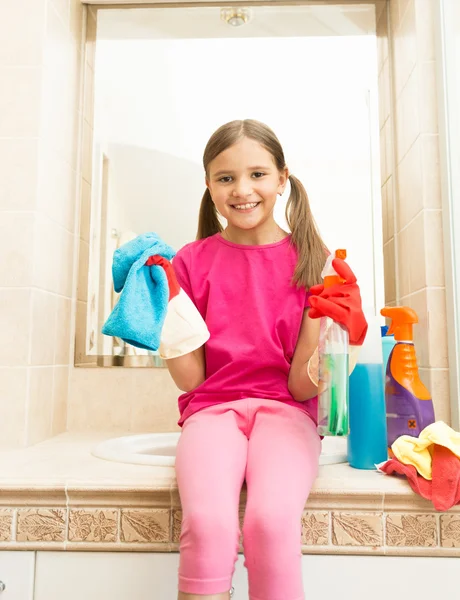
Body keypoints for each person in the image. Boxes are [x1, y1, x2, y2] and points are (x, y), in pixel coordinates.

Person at [164, 119, 367, 600]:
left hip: (286, 412)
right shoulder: (191, 261)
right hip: (213, 411)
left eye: (257, 174)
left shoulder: (313, 260)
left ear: (282, 179)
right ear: (209, 186)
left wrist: (341, 340)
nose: (242, 190)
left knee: (272, 523)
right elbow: (191, 380)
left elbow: (301, 387)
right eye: (226, 177)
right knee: (208, 522)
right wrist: (165, 316)